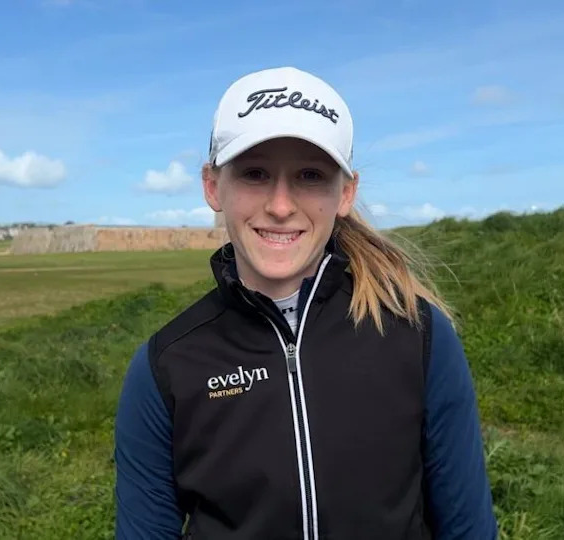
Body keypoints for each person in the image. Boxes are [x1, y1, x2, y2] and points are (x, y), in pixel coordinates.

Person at [113, 66, 498, 539]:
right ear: (213, 186)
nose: (280, 205)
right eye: (255, 173)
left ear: (346, 193)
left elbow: (468, 529)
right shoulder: (165, 366)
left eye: (310, 175)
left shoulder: (418, 334)